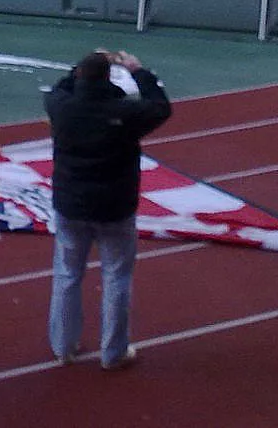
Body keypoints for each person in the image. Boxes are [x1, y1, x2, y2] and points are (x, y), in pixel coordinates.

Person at [45, 49, 171, 370]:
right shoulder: (126, 113)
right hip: (115, 207)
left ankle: (63, 347)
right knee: (117, 276)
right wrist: (138, 71)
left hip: (71, 205)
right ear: (108, 77)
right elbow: (161, 107)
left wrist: (79, 66)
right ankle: (113, 352)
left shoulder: (61, 108)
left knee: (67, 274)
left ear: (79, 77)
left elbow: (60, 88)